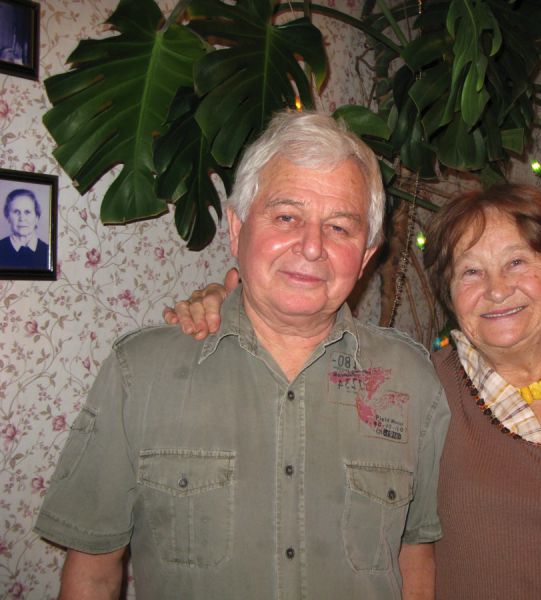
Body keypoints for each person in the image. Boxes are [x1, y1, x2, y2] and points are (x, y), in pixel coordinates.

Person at [166, 183, 541, 599]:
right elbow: (305, 395)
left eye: (517, 262)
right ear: (449, 291)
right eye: (471, 271)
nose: (497, 289)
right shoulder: (417, 387)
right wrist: (237, 309)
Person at [35, 110, 450, 600]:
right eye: (287, 217)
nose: (311, 247)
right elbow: (93, 574)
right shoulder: (140, 374)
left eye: (339, 227)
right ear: (236, 228)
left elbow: (415, 559)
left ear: (365, 256)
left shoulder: (411, 380)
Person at [0, 188, 50, 269]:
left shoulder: (48, 252)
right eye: (16, 212)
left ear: (37, 218)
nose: (22, 218)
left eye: (27, 212)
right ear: (8, 217)